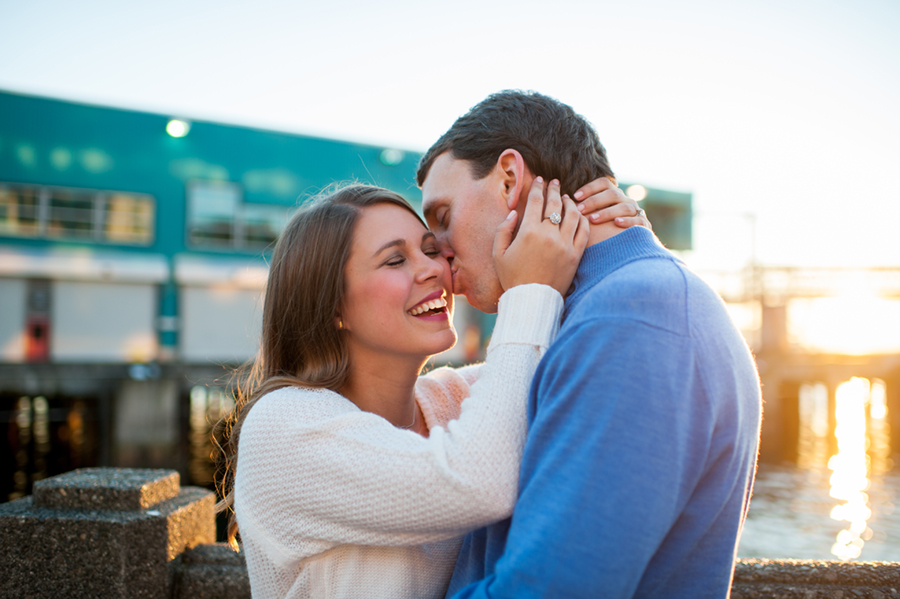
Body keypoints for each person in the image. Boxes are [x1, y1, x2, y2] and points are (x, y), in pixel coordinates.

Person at [216, 181, 646, 598]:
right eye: (394, 261)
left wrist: (624, 242)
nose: (433, 269)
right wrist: (529, 290)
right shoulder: (282, 426)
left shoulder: (453, 398)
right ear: (332, 307)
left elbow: (585, 350)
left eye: (429, 249)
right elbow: (477, 482)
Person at [415, 90, 763, 598]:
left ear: (510, 179)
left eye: (442, 217)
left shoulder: (632, 319)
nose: (438, 257)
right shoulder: (609, 306)